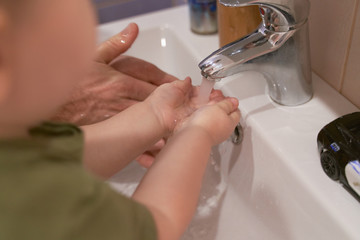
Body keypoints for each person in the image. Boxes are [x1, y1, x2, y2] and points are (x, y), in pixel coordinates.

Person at [0, 1, 240, 240]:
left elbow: (69, 154)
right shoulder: (24, 201)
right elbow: (158, 223)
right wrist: (197, 132)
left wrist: (155, 115)